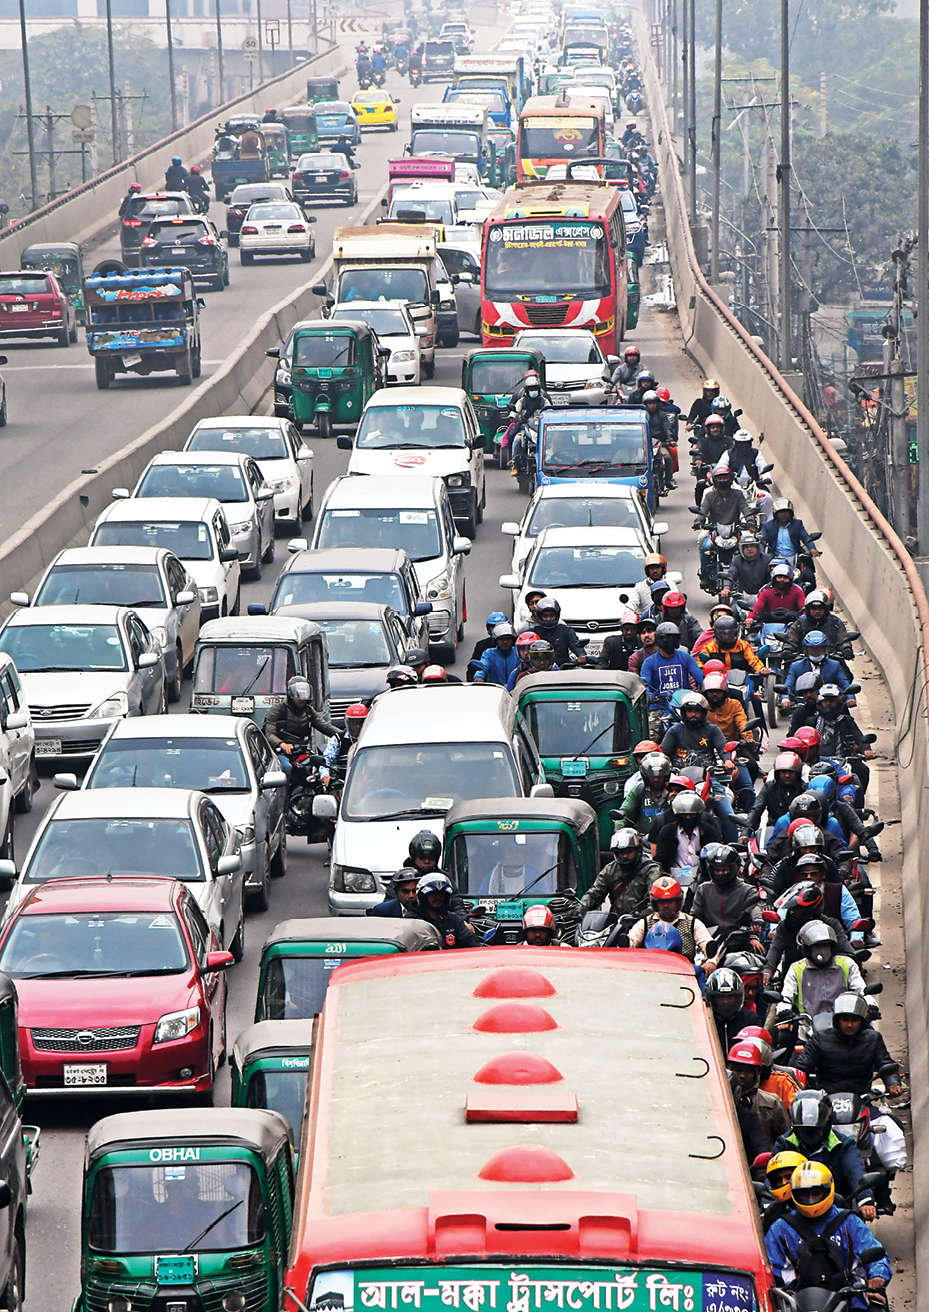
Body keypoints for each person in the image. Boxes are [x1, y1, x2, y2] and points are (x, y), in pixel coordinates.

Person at [796, 993, 906, 1195]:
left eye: (854, 1020)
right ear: (837, 1020)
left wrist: (893, 1083)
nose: (849, 1024)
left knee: (893, 1127)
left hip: (862, 1099)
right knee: (798, 1131)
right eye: (845, 1019)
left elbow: (885, 1063)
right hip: (825, 1103)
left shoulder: (873, 1039)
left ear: (862, 1021)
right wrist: (798, 1086)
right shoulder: (820, 1039)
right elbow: (801, 1067)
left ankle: (883, 1189)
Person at [765, 1162, 890, 1301]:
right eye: (804, 1194)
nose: (810, 1199)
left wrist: (877, 1276)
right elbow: (769, 1270)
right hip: (795, 1302)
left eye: (816, 1193)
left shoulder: (850, 1222)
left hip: (849, 1298)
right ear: (794, 1194)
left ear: (828, 1190)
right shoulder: (780, 1228)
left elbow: (874, 1251)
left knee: (877, 1305)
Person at [782, 920, 865, 1018]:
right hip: (807, 1024)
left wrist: (871, 1004)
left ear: (832, 947)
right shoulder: (796, 969)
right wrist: (784, 1012)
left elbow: (861, 989)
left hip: (842, 1022)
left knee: (869, 1026)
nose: (822, 950)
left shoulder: (847, 964)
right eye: (816, 946)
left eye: (826, 945)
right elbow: (786, 997)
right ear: (807, 948)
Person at [625, 874, 715, 964]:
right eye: (661, 902)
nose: (666, 906)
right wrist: (627, 943)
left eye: (670, 901)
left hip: (684, 969)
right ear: (655, 903)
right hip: (651, 967)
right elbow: (632, 940)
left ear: (678, 902)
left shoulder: (692, 923)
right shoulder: (644, 923)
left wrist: (711, 961)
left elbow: (706, 941)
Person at [265, 676, 341, 778]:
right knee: (286, 768)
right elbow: (269, 734)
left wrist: (343, 735)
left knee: (318, 766)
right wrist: (282, 744)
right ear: (291, 693)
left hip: (301, 751)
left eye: (305, 693)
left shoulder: (308, 711)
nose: (302, 699)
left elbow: (324, 726)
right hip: (280, 753)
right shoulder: (278, 709)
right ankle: (285, 789)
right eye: (298, 694)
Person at [577, 827, 660, 916]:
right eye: (621, 852)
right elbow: (595, 892)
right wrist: (580, 909)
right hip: (616, 920)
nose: (624, 856)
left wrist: (644, 914)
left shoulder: (651, 869)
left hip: (643, 920)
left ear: (638, 850)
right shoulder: (610, 869)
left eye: (629, 851)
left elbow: (655, 899)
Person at [727, 1039, 790, 1147]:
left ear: (757, 1072)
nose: (742, 1075)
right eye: (738, 1070)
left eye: (747, 1071)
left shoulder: (772, 1103)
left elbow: (785, 1141)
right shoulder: (716, 1099)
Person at [691, 844, 762, 936]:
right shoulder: (703, 889)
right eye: (717, 870)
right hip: (707, 938)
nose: (721, 873)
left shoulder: (748, 891)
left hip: (739, 938)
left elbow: (755, 910)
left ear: (734, 868)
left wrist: (756, 922)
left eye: (724, 870)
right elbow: (695, 917)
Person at [641, 623, 704, 727]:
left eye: (673, 638)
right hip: (660, 707)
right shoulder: (649, 662)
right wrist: (649, 695)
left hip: (685, 705)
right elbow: (644, 684)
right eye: (666, 638)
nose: (670, 641)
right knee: (652, 732)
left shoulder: (685, 657)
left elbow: (700, 678)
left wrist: (705, 689)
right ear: (659, 639)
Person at [697, 465, 751, 585]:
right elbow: (703, 511)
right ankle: (704, 575)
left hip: (735, 531)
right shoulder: (710, 496)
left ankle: (748, 576)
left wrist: (750, 520)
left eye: (725, 477)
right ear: (715, 480)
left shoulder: (738, 494)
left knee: (749, 545)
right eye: (720, 478)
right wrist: (698, 521)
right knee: (704, 545)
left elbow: (745, 509)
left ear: (730, 478)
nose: (722, 480)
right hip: (714, 530)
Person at [653, 794, 723, 885]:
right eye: (684, 815)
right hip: (673, 879)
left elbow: (715, 857)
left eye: (691, 815)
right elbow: (661, 859)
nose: (688, 818)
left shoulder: (709, 832)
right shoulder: (668, 832)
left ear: (698, 815)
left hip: (703, 879)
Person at [783, 633, 852, 712]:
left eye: (819, 649)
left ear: (825, 649)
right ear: (806, 650)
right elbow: (788, 685)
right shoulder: (796, 666)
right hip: (805, 707)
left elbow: (845, 684)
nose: (816, 652)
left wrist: (850, 698)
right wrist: (785, 698)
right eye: (812, 649)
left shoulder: (834, 665)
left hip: (830, 707)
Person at [745, 750, 805, 834]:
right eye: (783, 772)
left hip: (799, 832)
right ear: (777, 773)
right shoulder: (769, 787)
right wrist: (746, 832)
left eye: (791, 772)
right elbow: (756, 809)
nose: (787, 775)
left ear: (797, 773)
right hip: (774, 831)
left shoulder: (804, 789)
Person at [415, 873, 480, 947]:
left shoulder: (453, 920)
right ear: (423, 897)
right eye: (432, 894)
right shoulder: (414, 920)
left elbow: (473, 945)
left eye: (441, 894)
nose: (437, 897)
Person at [616, 750, 673, 833]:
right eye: (652, 777)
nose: (656, 780)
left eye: (659, 777)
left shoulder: (674, 790)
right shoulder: (639, 790)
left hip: (672, 838)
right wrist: (619, 830)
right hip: (643, 838)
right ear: (645, 776)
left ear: (666, 775)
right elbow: (625, 810)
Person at [785, 590, 852, 660]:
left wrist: (846, 649)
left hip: (832, 661)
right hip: (803, 661)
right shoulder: (799, 623)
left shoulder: (835, 622)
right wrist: (787, 649)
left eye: (821, 608)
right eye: (814, 608)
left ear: (826, 609)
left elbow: (843, 638)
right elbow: (791, 639)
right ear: (808, 609)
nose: (817, 611)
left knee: (843, 666)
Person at [706, 967, 758, 1050]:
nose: (725, 1001)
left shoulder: (751, 1019)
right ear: (711, 998)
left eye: (730, 997)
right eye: (720, 997)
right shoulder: (705, 1021)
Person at [527, 596, 586, 665]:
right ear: (539, 616)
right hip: (540, 668)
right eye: (545, 616)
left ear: (557, 615)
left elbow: (575, 645)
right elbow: (524, 653)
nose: (548, 619)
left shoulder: (566, 631)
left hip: (564, 669)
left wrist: (582, 656)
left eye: (551, 616)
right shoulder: (532, 633)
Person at [760, 498, 822, 563]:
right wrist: (762, 555)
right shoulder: (768, 526)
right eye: (781, 512)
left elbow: (806, 537)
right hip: (775, 559)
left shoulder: (797, 524)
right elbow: (763, 541)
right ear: (775, 513)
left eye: (786, 512)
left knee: (808, 567)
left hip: (796, 558)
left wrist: (812, 548)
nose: (783, 515)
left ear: (791, 513)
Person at [746, 563, 806, 628]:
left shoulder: (797, 591)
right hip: (769, 626)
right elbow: (757, 607)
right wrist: (750, 618)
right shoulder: (766, 592)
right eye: (779, 577)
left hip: (791, 626)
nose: (782, 580)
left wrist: (802, 619)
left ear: (790, 579)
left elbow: (803, 609)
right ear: (774, 579)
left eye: (785, 578)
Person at [761, 1149, 808, 1233]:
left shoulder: (827, 1200)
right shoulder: (773, 1211)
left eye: (788, 1176)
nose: (783, 1182)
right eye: (779, 1179)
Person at [721, 532, 771, 603]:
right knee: (732, 609)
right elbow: (730, 574)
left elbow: (773, 577)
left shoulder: (767, 559)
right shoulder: (737, 560)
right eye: (746, 547)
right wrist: (726, 588)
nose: (749, 549)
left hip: (764, 597)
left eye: (752, 546)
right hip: (742, 597)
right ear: (741, 549)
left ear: (757, 547)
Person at [473, 622, 520, 686]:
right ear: (496, 640)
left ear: (512, 640)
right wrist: (479, 677)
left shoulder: (518, 652)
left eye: (508, 639)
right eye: (502, 639)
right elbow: (483, 666)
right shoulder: (489, 653)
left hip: (516, 688)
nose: (505, 642)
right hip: (495, 689)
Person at [467, 610, 509, 680]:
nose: (505, 642)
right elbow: (478, 668)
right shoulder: (484, 649)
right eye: (494, 627)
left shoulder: (516, 646)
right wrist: (478, 678)